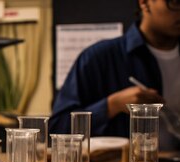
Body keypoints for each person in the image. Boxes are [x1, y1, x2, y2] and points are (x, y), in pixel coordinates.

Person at [49, 0, 180, 151]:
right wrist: (112, 105)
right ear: (144, 3)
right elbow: (57, 130)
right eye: (175, 3)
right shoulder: (100, 57)